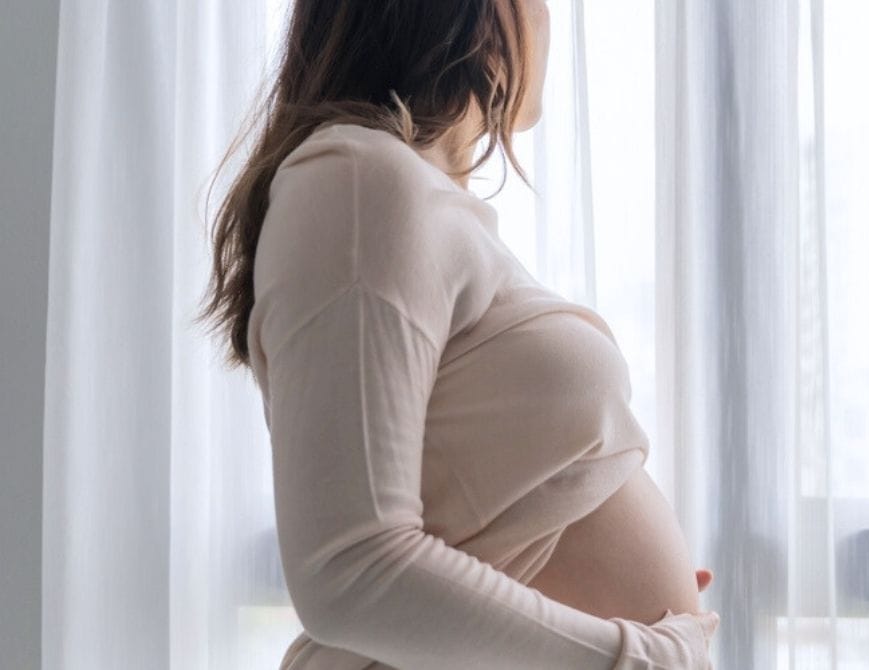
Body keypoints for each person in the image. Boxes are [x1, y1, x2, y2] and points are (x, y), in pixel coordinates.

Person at [196, 1, 721, 667]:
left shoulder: (402, 194)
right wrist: (632, 655)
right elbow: (349, 570)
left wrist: (595, 565)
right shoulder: (358, 181)